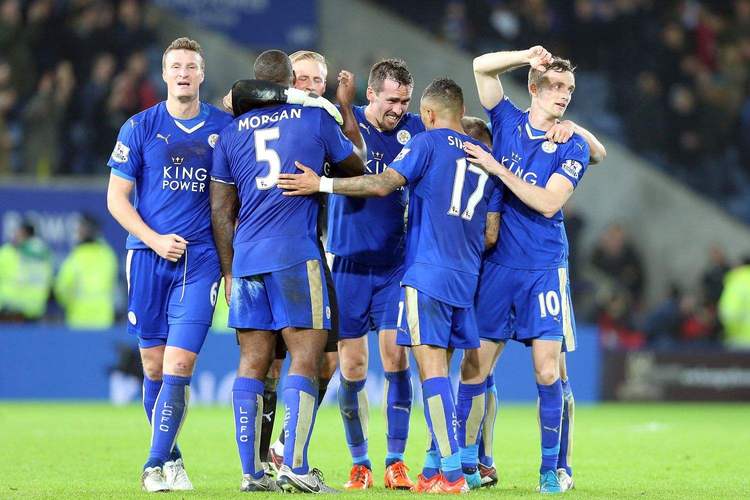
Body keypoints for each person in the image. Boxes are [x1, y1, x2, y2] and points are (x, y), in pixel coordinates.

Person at [278, 77, 499, 494]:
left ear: (424, 110)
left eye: (406, 101)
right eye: (392, 99)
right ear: (372, 95)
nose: (399, 108)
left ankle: (403, 462)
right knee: (353, 367)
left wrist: (319, 183)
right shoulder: (345, 120)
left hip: (402, 267)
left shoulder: (421, 132)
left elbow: (389, 179)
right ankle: (363, 463)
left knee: (403, 362)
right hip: (351, 262)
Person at [210, 49, 364, 493]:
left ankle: (252, 473)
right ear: (290, 81)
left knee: (252, 361)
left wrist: (229, 272)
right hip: (296, 253)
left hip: (246, 260)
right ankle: (295, 466)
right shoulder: (314, 120)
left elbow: (220, 211)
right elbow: (356, 166)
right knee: (306, 357)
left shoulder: (231, 133)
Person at [466, 45, 604, 494]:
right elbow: (480, 68)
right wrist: (527, 55)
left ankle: (553, 468)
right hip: (497, 266)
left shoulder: (572, 144)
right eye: (556, 86)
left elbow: (547, 202)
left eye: (570, 89)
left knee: (549, 372)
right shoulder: (506, 120)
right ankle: (470, 463)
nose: (564, 94)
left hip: (544, 267)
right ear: (534, 87)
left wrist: (496, 168)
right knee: (475, 368)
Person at [106, 37, 232, 492]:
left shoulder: (224, 127)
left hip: (200, 261)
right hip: (147, 257)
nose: (183, 73)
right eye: (175, 66)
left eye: (191, 66)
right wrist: (154, 239)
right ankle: (173, 459)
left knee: (180, 364)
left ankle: (153, 464)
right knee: (154, 367)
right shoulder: (139, 127)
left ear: (201, 74)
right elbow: (117, 199)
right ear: (164, 74)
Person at [54, 214, 118, 329]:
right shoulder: (108, 254)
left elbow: (62, 287)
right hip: (104, 319)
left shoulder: (76, 256)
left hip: (78, 319)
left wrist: (68, 303)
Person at [0, 220, 53, 321]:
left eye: (18, 233)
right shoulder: (44, 255)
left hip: (10, 311)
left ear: (24, 234)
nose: (15, 236)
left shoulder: (9, 253)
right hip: (33, 312)